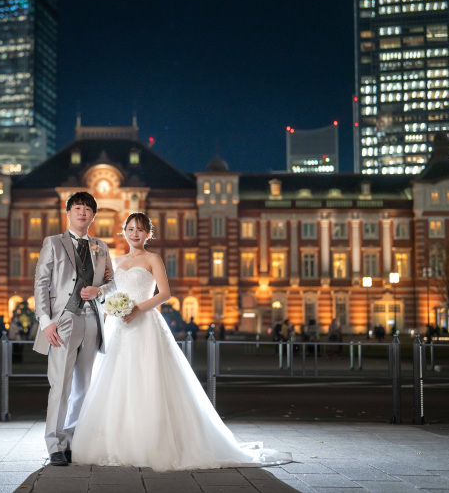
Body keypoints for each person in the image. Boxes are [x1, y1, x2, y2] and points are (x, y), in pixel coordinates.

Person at [73, 212, 291, 471]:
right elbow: (109, 292)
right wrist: (111, 309)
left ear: (148, 234)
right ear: (124, 231)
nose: (135, 234)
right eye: (130, 229)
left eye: (140, 230)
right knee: (116, 380)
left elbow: (165, 294)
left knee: (149, 378)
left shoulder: (153, 259)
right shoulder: (116, 260)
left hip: (145, 323)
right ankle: (118, 440)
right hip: (119, 326)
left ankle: (153, 441)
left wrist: (138, 308)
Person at [32, 191, 116, 467]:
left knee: (84, 385)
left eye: (87, 209)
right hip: (63, 321)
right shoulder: (53, 243)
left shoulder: (101, 246)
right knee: (60, 385)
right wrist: (46, 321)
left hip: (92, 320)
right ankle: (55, 444)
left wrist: (99, 291)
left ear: (93, 216)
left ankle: (73, 440)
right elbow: (41, 283)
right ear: (68, 212)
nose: (82, 212)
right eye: (77, 208)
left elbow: (112, 283)